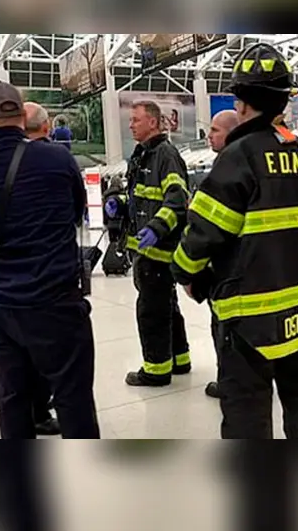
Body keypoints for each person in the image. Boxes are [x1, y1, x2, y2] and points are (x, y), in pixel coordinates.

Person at [171, 43, 298, 439]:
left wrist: (184, 272)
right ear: (284, 102)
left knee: (246, 410)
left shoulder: (238, 157)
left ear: (240, 105)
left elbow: (204, 230)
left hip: (251, 314)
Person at [0, 84, 100, 439]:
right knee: (73, 396)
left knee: (14, 396)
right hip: (56, 302)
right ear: (22, 117)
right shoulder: (57, 159)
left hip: (0, 306)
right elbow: (77, 212)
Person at [123, 100, 191, 387]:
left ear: (153, 122)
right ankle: (179, 359)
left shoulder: (165, 155)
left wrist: (155, 228)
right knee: (167, 305)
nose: (131, 124)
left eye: (136, 120)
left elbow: (176, 200)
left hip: (158, 249)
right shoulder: (143, 156)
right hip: (147, 248)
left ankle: (156, 369)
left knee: (151, 311)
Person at [201, 109, 239, 400]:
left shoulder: (229, 168)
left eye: (215, 130)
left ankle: (229, 380)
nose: (209, 135)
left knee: (225, 328)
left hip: (229, 267)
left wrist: (188, 271)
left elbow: (208, 227)